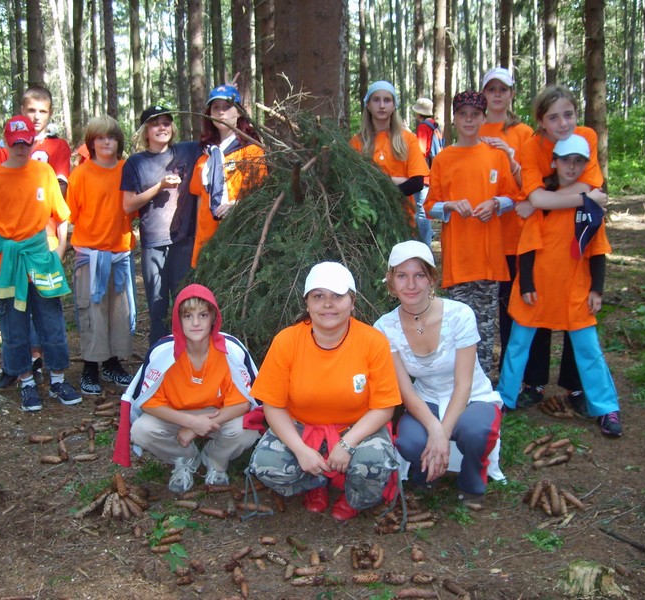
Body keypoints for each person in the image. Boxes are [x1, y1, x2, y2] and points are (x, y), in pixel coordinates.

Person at [248, 262, 401, 521]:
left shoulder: (373, 342)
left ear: (352, 302)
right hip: (301, 425)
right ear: (307, 304)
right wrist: (300, 450)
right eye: (319, 296)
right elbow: (272, 405)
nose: (328, 304)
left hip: (357, 426)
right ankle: (316, 482)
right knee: (266, 465)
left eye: (337, 296)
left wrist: (347, 444)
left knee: (373, 464)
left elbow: (384, 406)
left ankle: (354, 496)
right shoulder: (286, 341)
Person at [496, 134, 622, 437]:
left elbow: (597, 251)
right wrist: (525, 282)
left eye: (579, 161)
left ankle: (606, 408)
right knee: (517, 346)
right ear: (554, 162)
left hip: (574, 292)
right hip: (537, 289)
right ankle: (503, 399)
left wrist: (597, 290)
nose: (572, 166)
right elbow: (527, 247)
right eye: (566, 160)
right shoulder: (544, 202)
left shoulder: (590, 207)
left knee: (588, 349)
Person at [374, 241, 503, 503]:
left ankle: (472, 481)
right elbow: (405, 389)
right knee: (409, 442)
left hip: (471, 396)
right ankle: (425, 477)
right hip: (427, 399)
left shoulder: (459, 315)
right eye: (402, 276)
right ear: (391, 281)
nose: (411, 285)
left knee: (477, 431)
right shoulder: (384, 327)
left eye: (419, 275)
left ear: (432, 278)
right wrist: (434, 427)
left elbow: (464, 383)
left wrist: (441, 434)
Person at [0, 115, 81, 412]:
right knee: (14, 328)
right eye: (15, 143)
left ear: (33, 141)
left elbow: (62, 214)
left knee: (52, 322)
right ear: (7, 143)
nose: (21, 148)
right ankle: (27, 383)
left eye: (26, 142)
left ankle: (57, 378)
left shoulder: (44, 172)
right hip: (7, 265)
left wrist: (59, 250)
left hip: (41, 260)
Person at [514, 84, 609, 412]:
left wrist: (546, 201)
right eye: (553, 117)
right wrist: (549, 201)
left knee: (577, 321)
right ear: (541, 122)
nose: (563, 123)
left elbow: (589, 183)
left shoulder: (587, 137)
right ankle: (533, 383)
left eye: (568, 114)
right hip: (543, 244)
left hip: (576, 234)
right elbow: (537, 197)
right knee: (536, 316)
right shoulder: (530, 148)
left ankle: (577, 388)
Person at [114, 284, 261, 493]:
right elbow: (148, 402)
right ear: (178, 319)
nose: (195, 323)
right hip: (176, 414)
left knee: (247, 430)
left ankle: (216, 459)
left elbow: (243, 403)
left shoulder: (230, 350)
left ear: (213, 318)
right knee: (141, 430)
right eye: (187, 316)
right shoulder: (164, 353)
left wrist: (196, 428)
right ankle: (184, 457)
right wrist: (190, 422)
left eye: (202, 315)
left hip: (216, 413)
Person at [423, 91, 519, 376]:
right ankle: (458, 386)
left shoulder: (496, 156)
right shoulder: (443, 159)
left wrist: (495, 203)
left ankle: (484, 389)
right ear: (454, 118)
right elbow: (430, 207)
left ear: (483, 117)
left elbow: (513, 196)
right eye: (463, 114)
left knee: (486, 328)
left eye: (475, 114)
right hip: (458, 260)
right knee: (457, 328)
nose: (469, 119)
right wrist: (449, 205)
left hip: (489, 259)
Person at [0, 85, 72, 389]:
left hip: (45, 241)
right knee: (13, 314)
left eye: (42, 111)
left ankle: (46, 365)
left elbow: (59, 195)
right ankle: (21, 367)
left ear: (49, 114)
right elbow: (1, 191)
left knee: (47, 312)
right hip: (11, 248)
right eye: (30, 110)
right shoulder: (3, 147)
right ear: (21, 111)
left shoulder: (56, 147)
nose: (36, 117)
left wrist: (58, 248)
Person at [478, 67, 552, 398]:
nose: (496, 94)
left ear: (511, 94)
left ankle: (532, 380)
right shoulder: (472, 128)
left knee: (525, 305)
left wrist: (510, 157)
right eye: (490, 89)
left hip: (520, 236)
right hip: (483, 236)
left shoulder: (524, 133)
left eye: (502, 89)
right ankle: (495, 377)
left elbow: (532, 186)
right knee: (490, 311)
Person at [121, 105, 202, 346]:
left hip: (183, 242)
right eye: (155, 124)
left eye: (166, 123)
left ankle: (185, 356)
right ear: (146, 131)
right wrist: (159, 187)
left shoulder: (187, 151)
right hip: (153, 245)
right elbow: (127, 205)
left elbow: (215, 137)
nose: (162, 128)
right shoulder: (135, 163)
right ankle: (158, 360)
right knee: (158, 307)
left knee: (183, 303)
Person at [67, 115, 136, 395]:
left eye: (110, 137)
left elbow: (134, 207)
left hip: (119, 253)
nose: (106, 142)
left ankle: (112, 362)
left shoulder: (126, 170)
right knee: (92, 312)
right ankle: (90, 366)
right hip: (90, 255)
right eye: (99, 138)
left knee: (118, 312)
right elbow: (71, 214)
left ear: (118, 141)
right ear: (91, 143)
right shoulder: (81, 174)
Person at [189, 85, 267, 268]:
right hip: (207, 238)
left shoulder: (252, 150)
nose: (221, 112)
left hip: (238, 233)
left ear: (239, 112)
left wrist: (236, 206)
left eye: (227, 106)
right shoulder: (204, 157)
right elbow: (200, 201)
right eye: (216, 107)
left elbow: (262, 194)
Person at [350, 81, 428, 227]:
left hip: (403, 221)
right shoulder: (356, 142)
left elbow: (416, 183)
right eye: (376, 100)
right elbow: (356, 183)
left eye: (387, 100)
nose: (381, 105)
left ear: (394, 106)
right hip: (368, 222)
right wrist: (398, 179)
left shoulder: (408, 139)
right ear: (368, 105)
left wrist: (379, 183)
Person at [410, 96, 441, 247]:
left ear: (419, 113)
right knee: (424, 210)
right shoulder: (435, 126)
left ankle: (425, 244)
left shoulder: (424, 127)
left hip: (423, 175)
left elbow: (421, 150)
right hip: (432, 173)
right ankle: (427, 238)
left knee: (421, 212)